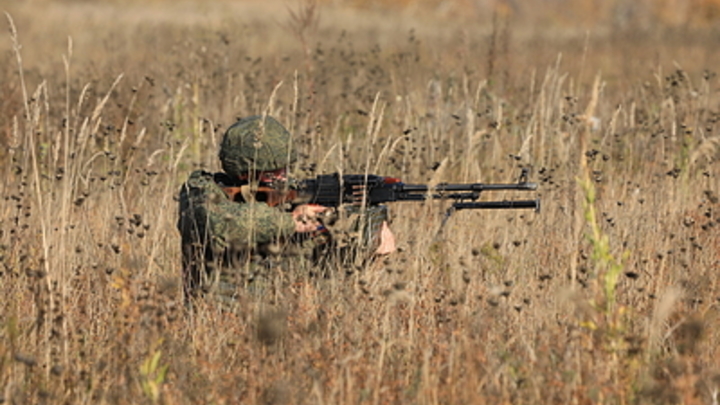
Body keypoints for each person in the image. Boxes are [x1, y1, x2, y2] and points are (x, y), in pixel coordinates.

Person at [177, 115, 395, 305]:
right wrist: (290, 222)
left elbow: (324, 271)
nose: (283, 175)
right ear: (243, 170)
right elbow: (219, 224)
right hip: (221, 321)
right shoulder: (201, 191)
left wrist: (369, 246)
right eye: (273, 170)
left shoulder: (288, 196)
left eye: (285, 167)